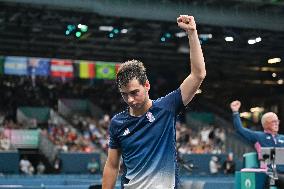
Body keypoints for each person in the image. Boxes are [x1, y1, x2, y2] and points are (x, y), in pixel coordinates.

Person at [102, 15, 206, 189]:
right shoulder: (117, 123)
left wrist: (192, 34)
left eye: (135, 92)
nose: (130, 100)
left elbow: (198, 75)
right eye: (124, 94)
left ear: (147, 85)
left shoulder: (167, 107)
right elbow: (112, 166)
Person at [230, 100, 284, 187]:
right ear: (266, 124)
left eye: (277, 121)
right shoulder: (259, 136)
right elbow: (240, 129)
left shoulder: (282, 138)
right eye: (273, 121)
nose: (277, 123)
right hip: (271, 174)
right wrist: (235, 112)